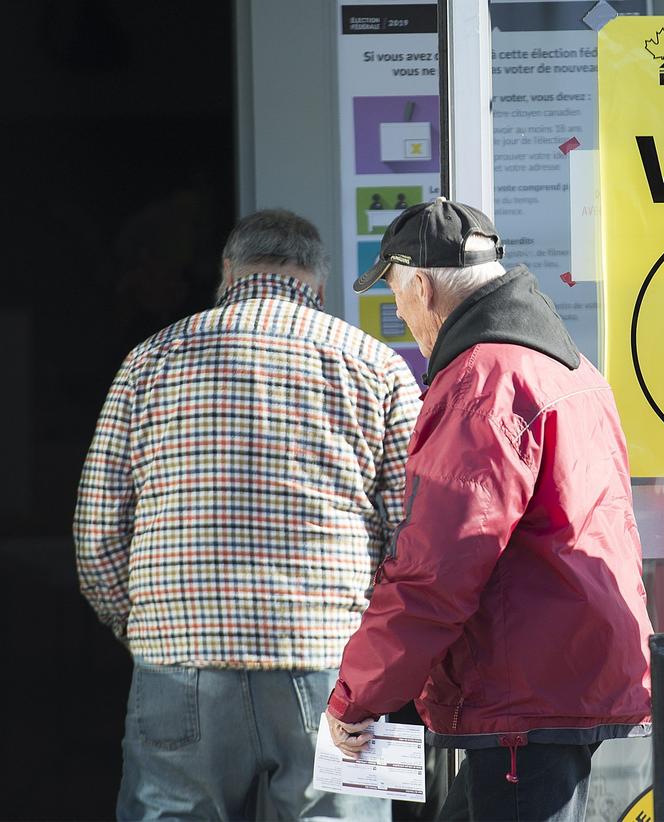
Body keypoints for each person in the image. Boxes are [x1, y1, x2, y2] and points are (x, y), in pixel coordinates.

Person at [75, 209, 422, 820]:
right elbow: (414, 535)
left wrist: (146, 626)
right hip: (332, 661)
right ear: (317, 284)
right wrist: (381, 641)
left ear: (227, 273)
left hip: (180, 662)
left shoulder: (148, 363)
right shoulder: (377, 367)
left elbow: (98, 535)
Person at [324, 198, 653, 822]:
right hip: (558, 679)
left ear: (422, 284)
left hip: (520, 700)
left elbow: (436, 569)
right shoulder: (567, 363)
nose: (398, 313)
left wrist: (359, 694)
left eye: (396, 295)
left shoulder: (484, 380)